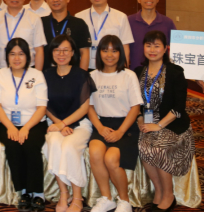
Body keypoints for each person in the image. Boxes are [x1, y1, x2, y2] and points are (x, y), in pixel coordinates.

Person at [135, 31, 194, 212]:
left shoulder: (175, 72)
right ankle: (159, 191)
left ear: (165, 49)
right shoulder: (137, 72)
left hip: (172, 123)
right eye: (148, 45)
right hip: (148, 121)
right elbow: (135, 102)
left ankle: (169, 195)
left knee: (158, 148)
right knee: (143, 147)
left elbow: (179, 107)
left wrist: (159, 125)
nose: (152, 50)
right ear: (143, 47)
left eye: (157, 46)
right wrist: (140, 119)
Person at [0, 38, 49, 212]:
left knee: (31, 145)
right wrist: (10, 127)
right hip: (6, 123)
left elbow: (42, 107)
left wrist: (26, 128)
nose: (17, 58)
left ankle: (38, 193)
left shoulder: (36, 75)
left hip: (34, 123)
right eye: (12, 54)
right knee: (13, 146)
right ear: (7, 57)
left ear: (28, 56)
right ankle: (23, 192)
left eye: (21, 54)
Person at [87, 35, 143, 212]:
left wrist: (120, 132)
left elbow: (135, 108)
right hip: (102, 124)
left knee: (111, 159)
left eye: (114, 50)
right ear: (99, 53)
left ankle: (124, 201)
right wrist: (100, 127)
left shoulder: (129, 75)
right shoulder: (92, 76)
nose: (109, 55)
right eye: (105, 50)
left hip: (125, 125)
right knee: (95, 152)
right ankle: (106, 198)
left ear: (121, 53)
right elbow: (89, 107)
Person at [43, 34, 96, 212]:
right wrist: (59, 124)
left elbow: (84, 107)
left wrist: (64, 124)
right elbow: (43, 105)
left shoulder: (82, 75)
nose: (61, 54)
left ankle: (78, 197)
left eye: (66, 50)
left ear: (73, 52)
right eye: (57, 50)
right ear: (52, 52)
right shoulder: (46, 75)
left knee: (68, 147)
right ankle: (64, 194)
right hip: (55, 123)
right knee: (54, 143)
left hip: (79, 124)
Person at [76, 0, 135, 70]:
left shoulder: (121, 17)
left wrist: (123, 71)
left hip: (112, 68)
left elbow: (125, 47)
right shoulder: (79, 17)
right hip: (86, 68)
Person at [0, 0, 47, 71]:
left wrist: (37, 75)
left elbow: (39, 50)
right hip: (1, 69)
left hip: (27, 69)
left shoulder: (34, 18)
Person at [128, 0, 177, 71]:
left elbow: (176, 49)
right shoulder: (128, 21)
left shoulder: (168, 22)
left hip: (161, 74)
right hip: (134, 73)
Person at [42, 0, 91, 71]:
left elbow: (84, 53)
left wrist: (82, 75)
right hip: (45, 74)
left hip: (72, 75)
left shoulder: (79, 23)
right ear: (46, 0)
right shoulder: (40, 23)